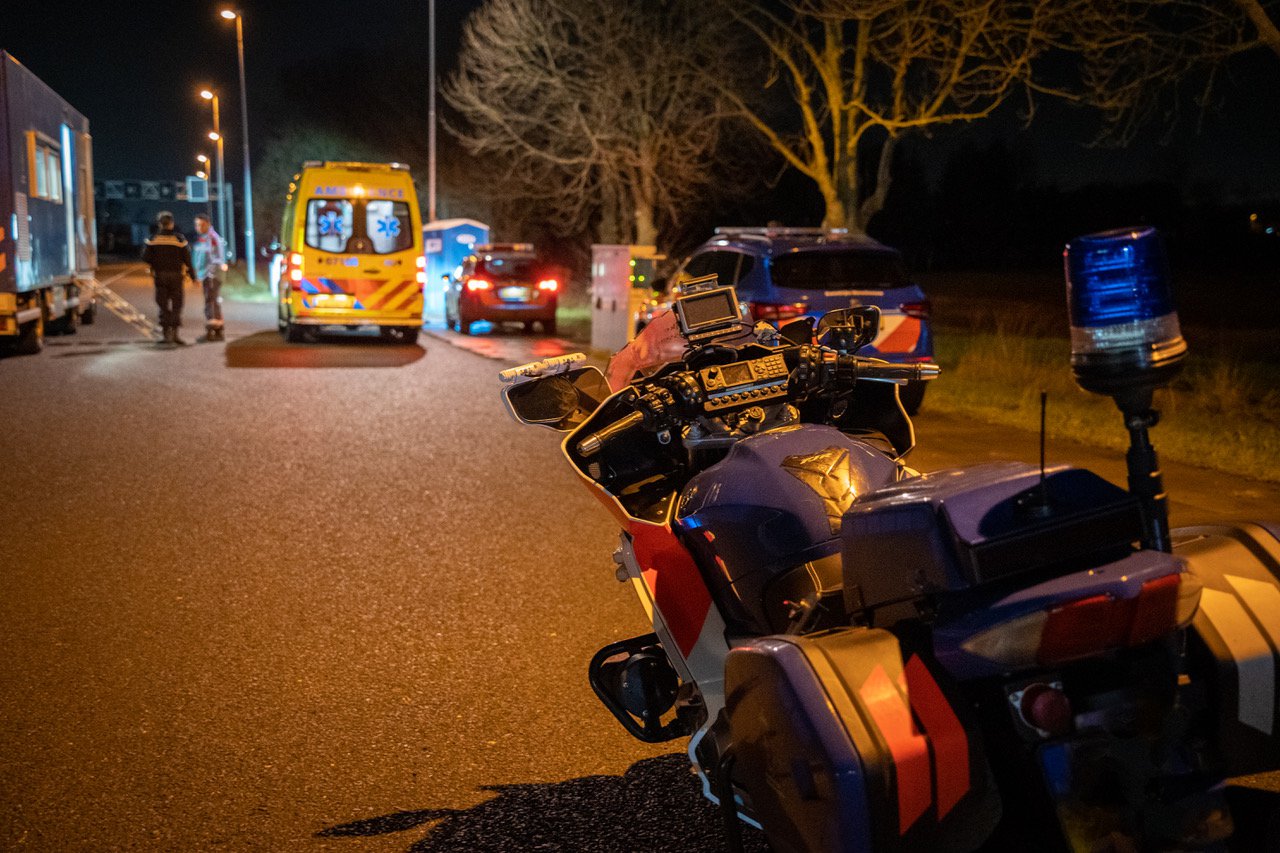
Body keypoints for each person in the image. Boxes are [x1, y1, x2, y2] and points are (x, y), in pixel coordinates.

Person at [141, 211, 195, 345]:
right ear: (172, 224)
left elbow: (145, 258)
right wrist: (193, 277)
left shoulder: (153, 239)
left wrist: (156, 261)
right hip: (176, 276)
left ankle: (166, 335)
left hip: (160, 276)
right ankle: (175, 335)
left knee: (163, 305)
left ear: (160, 224)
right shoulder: (180, 240)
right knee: (177, 305)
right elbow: (188, 260)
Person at [191, 213, 227, 341]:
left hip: (212, 275)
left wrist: (210, 274)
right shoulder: (203, 238)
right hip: (206, 275)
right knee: (212, 302)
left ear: (208, 224)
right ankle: (217, 332)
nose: (198, 227)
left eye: (201, 224)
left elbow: (216, 259)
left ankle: (213, 332)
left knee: (211, 303)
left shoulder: (212, 238)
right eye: (196, 225)